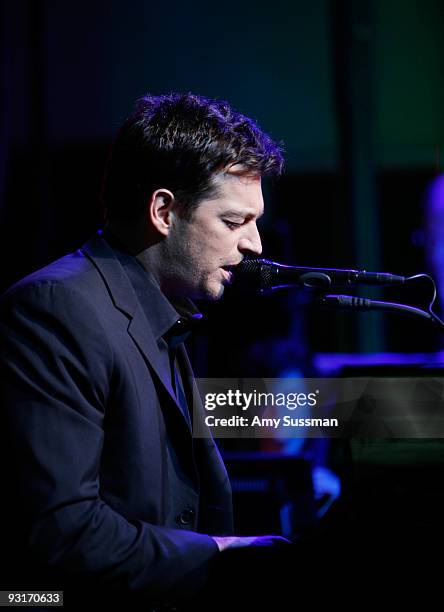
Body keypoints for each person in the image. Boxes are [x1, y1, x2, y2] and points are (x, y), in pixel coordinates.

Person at [0, 93, 288, 610]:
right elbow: (62, 529)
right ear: (163, 211)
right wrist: (217, 554)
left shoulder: (159, 307)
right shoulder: (55, 308)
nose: (256, 246)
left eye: (255, 221)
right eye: (233, 221)